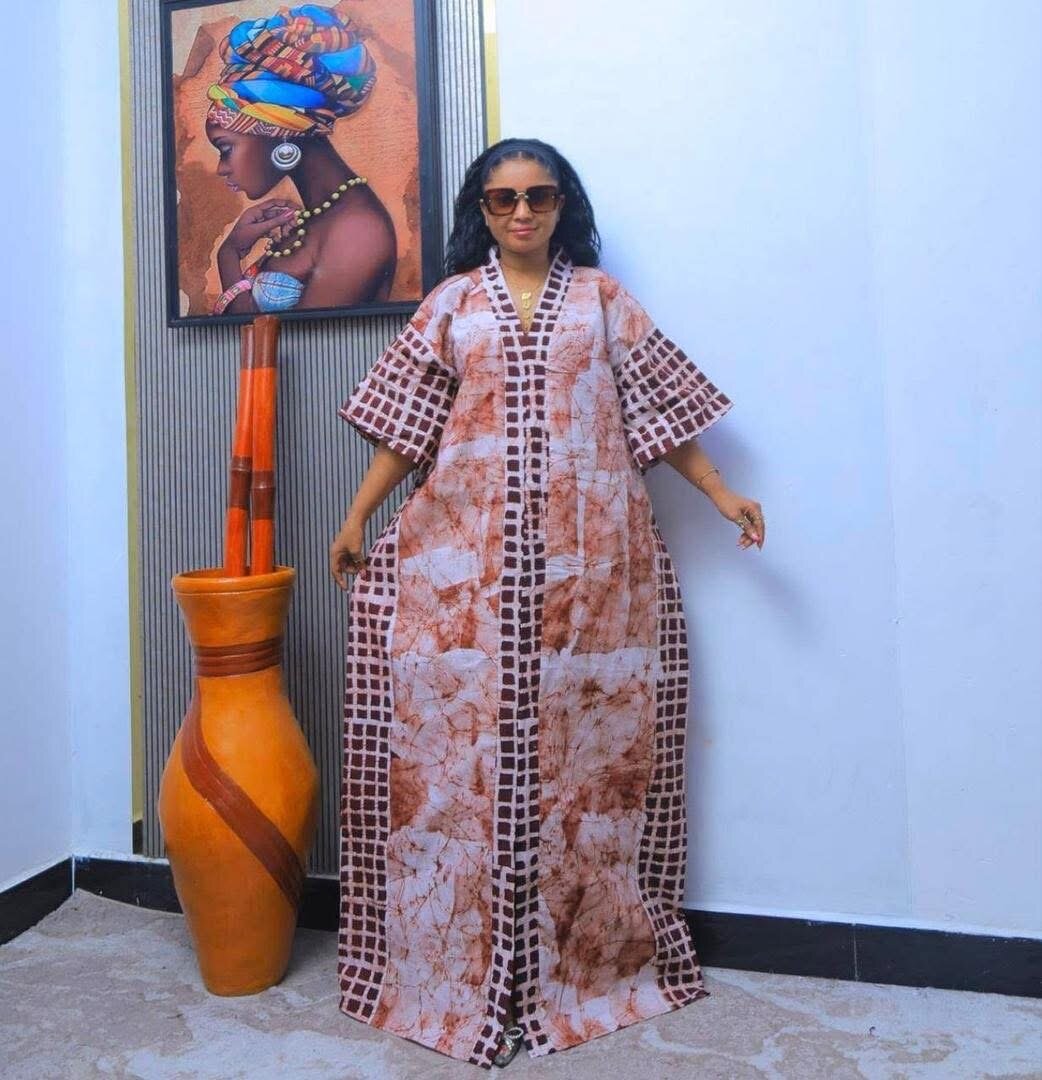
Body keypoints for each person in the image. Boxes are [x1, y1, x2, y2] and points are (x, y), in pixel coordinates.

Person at [329, 137, 764, 1069]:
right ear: (480, 211)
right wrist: (359, 515)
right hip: (467, 577)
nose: (522, 213)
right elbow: (410, 430)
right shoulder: (451, 306)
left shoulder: (603, 303)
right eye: (502, 199)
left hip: (591, 581)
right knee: (458, 770)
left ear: (564, 204)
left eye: (538, 195)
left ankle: (584, 971)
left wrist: (721, 492)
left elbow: (658, 416)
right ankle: (452, 967)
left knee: (591, 774)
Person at [204, 5, 396, 316]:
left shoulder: (358, 229)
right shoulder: (315, 216)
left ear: (280, 132)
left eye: (225, 148)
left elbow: (303, 339)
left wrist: (229, 256)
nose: (221, 168)